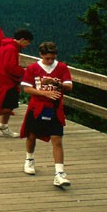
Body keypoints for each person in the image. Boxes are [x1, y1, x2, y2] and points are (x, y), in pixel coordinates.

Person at [20, 42, 73, 188]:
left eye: (52, 58)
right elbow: (26, 88)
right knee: (32, 135)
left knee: (57, 139)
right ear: (41, 55)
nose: (50, 61)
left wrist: (56, 83)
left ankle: (59, 173)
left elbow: (69, 86)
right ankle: (29, 159)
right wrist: (45, 93)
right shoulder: (32, 68)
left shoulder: (62, 67)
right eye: (47, 58)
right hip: (37, 107)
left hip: (55, 108)